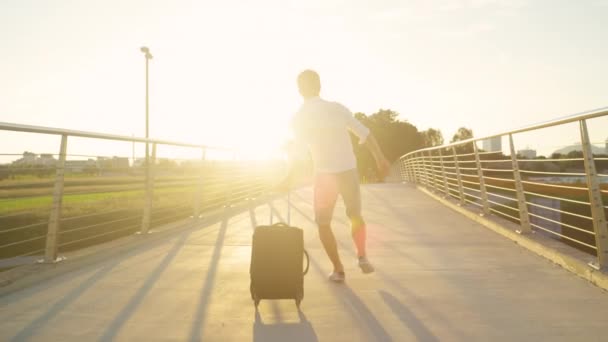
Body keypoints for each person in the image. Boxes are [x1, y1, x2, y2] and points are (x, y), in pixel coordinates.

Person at [284, 69, 390, 283]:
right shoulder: (337, 109)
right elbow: (366, 134)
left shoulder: (299, 117)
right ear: (320, 86)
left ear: (299, 90)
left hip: (324, 176)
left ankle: (338, 269)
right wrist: (380, 158)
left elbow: (298, 153)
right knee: (355, 215)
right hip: (348, 170)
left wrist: (288, 178)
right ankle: (361, 256)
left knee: (323, 224)